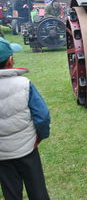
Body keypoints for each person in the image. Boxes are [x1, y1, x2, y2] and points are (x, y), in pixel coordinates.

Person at [0, 37, 51, 200]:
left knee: (11, 194)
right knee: (38, 192)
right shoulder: (24, 84)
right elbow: (42, 116)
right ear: (10, 60)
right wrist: (40, 136)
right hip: (27, 149)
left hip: (2, 157)